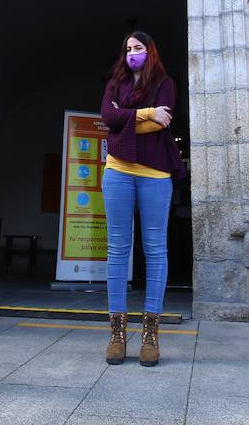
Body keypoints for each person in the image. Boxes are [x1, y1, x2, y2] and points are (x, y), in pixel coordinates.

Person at [99, 31, 184, 367]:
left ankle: (151, 333)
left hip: (155, 174)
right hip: (117, 170)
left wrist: (129, 118)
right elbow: (108, 118)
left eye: (139, 48)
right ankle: (117, 333)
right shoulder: (114, 83)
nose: (133, 52)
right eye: (128, 48)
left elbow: (160, 125)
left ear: (151, 51)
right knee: (118, 248)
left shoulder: (165, 82)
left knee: (155, 249)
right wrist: (148, 114)